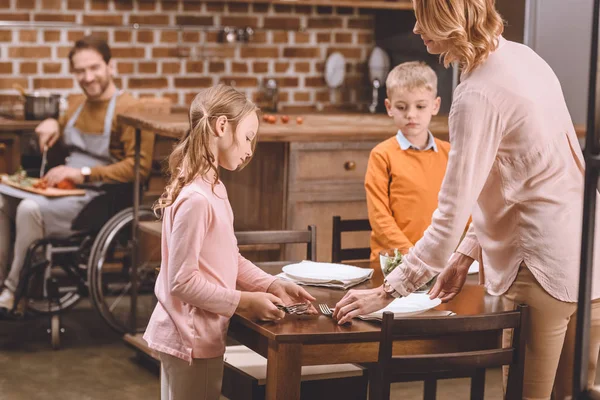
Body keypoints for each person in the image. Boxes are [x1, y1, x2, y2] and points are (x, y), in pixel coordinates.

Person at [333, 1, 600, 398]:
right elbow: (520, 176)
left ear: (447, 17)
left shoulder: (476, 95)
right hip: (590, 258)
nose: (415, 27)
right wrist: (464, 255)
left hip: (541, 268)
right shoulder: (525, 58)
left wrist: (385, 292)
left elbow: (448, 217)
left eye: (423, 14)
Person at [143, 85, 316, 400]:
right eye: (249, 137)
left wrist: (271, 284)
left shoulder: (214, 188)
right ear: (222, 126)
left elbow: (228, 258)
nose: (251, 149)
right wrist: (244, 301)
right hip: (191, 337)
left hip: (195, 334)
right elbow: (182, 282)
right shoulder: (197, 198)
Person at [0, 35, 155, 310]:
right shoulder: (75, 104)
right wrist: (51, 123)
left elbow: (139, 168)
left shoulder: (130, 108)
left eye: (94, 67)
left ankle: (14, 293)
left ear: (111, 66)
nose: (88, 77)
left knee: (28, 209)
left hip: (99, 197)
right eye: (80, 71)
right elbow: (60, 123)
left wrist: (83, 173)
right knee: (1, 200)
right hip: (65, 191)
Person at [365, 61, 450, 262]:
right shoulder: (381, 155)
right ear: (389, 107)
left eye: (420, 106)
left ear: (435, 106)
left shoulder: (450, 154)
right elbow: (380, 217)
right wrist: (410, 254)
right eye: (402, 107)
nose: (411, 114)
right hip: (394, 262)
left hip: (441, 261)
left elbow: (464, 211)